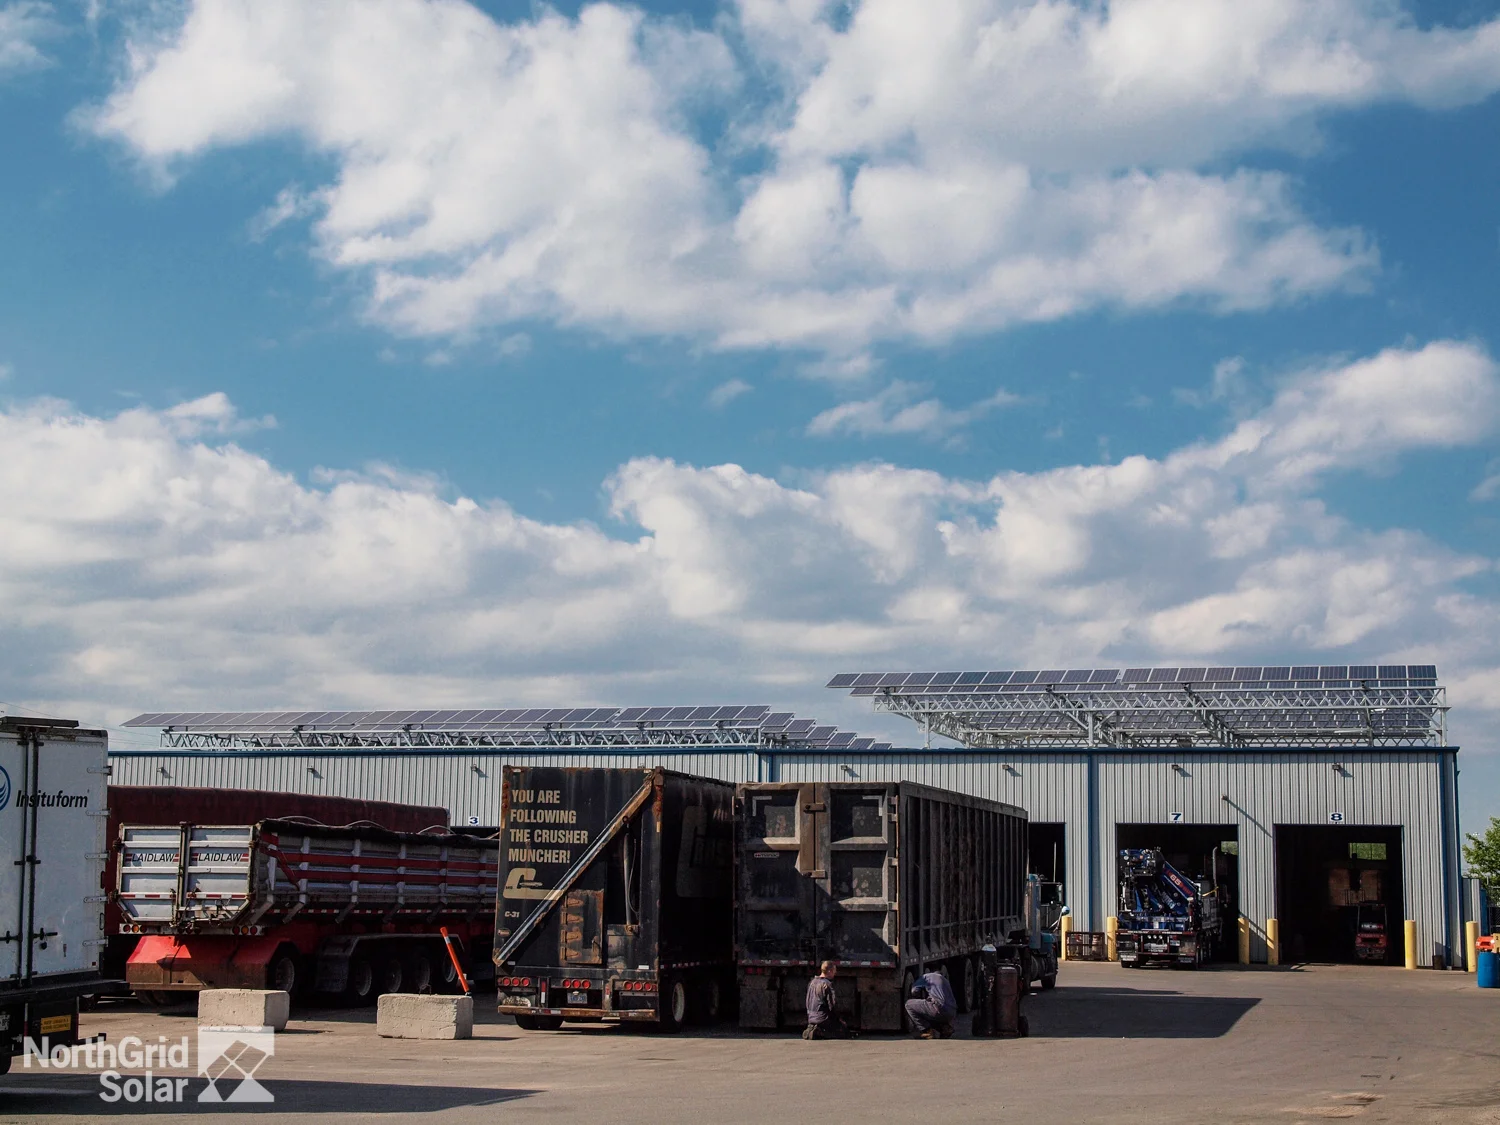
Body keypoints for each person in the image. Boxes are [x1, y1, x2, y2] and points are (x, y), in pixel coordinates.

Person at [802, 960, 854, 1039]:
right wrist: (839, 1020)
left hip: (811, 1018)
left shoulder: (812, 983)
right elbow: (832, 1006)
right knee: (844, 1031)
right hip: (823, 1019)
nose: (835, 974)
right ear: (829, 971)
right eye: (834, 971)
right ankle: (820, 1032)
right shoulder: (827, 984)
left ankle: (812, 1029)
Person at [905, 969, 957, 1039]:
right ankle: (945, 1028)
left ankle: (927, 1031)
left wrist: (919, 998)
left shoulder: (926, 976)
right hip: (952, 1012)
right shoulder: (945, 981)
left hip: (938, 1008)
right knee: (934, 1011)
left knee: (908, 1005)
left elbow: (914, 991)